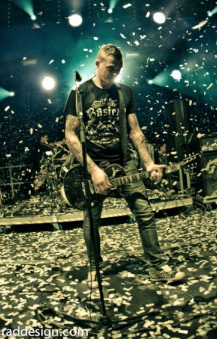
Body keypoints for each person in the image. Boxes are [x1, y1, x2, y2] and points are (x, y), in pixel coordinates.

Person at [64, 44, 185, 287]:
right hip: (94, 163)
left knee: (144, 212)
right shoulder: (80, 93)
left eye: (118, 69)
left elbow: (135, 131)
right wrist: (93, 169)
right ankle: (94, 266)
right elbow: (70, 135)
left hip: (124, 160)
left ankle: (156, 267)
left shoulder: (125, 92)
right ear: (97, 64)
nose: (114, 73)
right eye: (110, 68)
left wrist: (148, 163)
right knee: (92, 219)